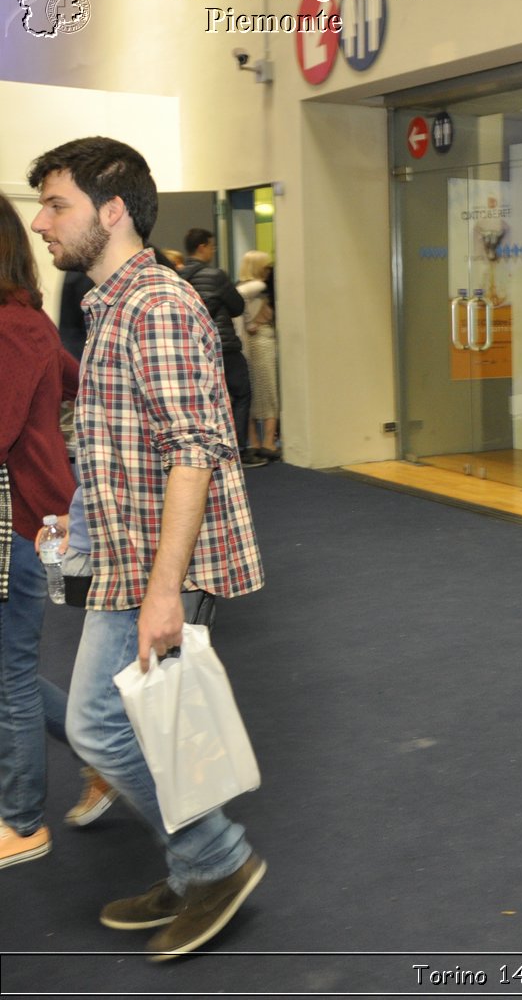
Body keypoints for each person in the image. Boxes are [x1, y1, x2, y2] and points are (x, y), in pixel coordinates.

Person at [27, 136, 267, 959]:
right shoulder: (110, 304)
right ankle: (199, 862)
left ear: (113, 209)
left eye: (56, 204)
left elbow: (195, 450)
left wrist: (164, 589)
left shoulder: (157, 305)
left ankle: (216, 859)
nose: (40, 222)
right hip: (124, 547)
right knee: (143, 722)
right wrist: (75, 536)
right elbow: (113, 446)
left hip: (160, 560)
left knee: (98, 722)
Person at [0, 193, 118, 871]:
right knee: (10, 669)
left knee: (11, 673)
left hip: (19, 523)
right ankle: (102, 754)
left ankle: (22, 821)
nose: (45, 221)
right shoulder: (27, 322)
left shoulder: (12, 326)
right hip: (34, 517)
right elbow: (80, 380)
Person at [180, 229, 264, 469]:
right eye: (212, 246)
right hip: (223, 345)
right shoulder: (215, 275)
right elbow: (237, 306)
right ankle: (236, 450)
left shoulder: (177, 276)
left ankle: (207, 450)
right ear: (203, 247)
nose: (213, 251)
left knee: (204, 400)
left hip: (192, 348)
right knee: (241, 393)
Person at [236, 251, 279, 460]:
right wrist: (252, 322)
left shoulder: (242, 286)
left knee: (250, 393)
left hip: (248, 343)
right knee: (269, 392)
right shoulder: (259, 287)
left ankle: (254, 441)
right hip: (262, 340)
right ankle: (269, 443)